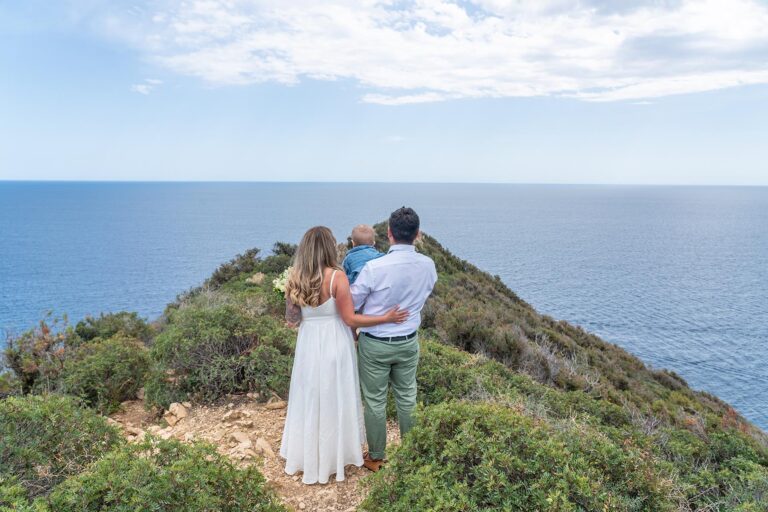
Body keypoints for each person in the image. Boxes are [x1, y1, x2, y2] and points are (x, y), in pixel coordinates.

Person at [279, 226, 409, 485]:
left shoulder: (294, 277)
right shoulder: (336, 277)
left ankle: (309, 456)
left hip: (308, 343)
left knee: (310, 395)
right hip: (335, 341)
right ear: (329, 247)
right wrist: (386, 317)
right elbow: (350, 319)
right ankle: (335, 455)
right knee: (335, 395)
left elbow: (291, 321)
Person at [350, 207, 437, 472]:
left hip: (375, 342)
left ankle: (376, 457)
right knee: (407, 396)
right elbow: (426, 292)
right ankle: (411, 455)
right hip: (408, 341)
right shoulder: (428, 265)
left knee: (375, 400)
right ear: (418, 234)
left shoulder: (374, 268)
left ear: (389, 234)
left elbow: (353, 302)